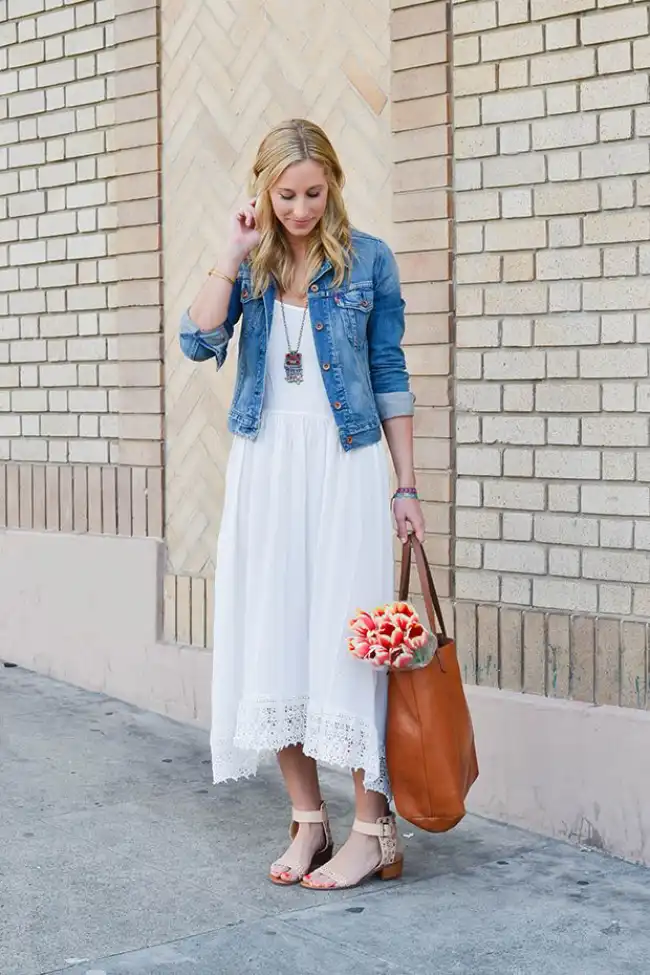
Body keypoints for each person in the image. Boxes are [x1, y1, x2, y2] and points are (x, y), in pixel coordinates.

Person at [179, 119, 425, 890]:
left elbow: (389, 371)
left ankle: (372, 828)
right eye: (285, 194)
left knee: (352, 641)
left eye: (314, 193)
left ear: (335, 185)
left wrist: (406, 484)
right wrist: (230, 250)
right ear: (263, 189)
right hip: (266, 464)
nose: (300, 208)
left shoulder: (368, 260)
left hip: (345, 462)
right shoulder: (251, 263)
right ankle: (307, 820)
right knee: (275, 631)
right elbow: (198, 339)